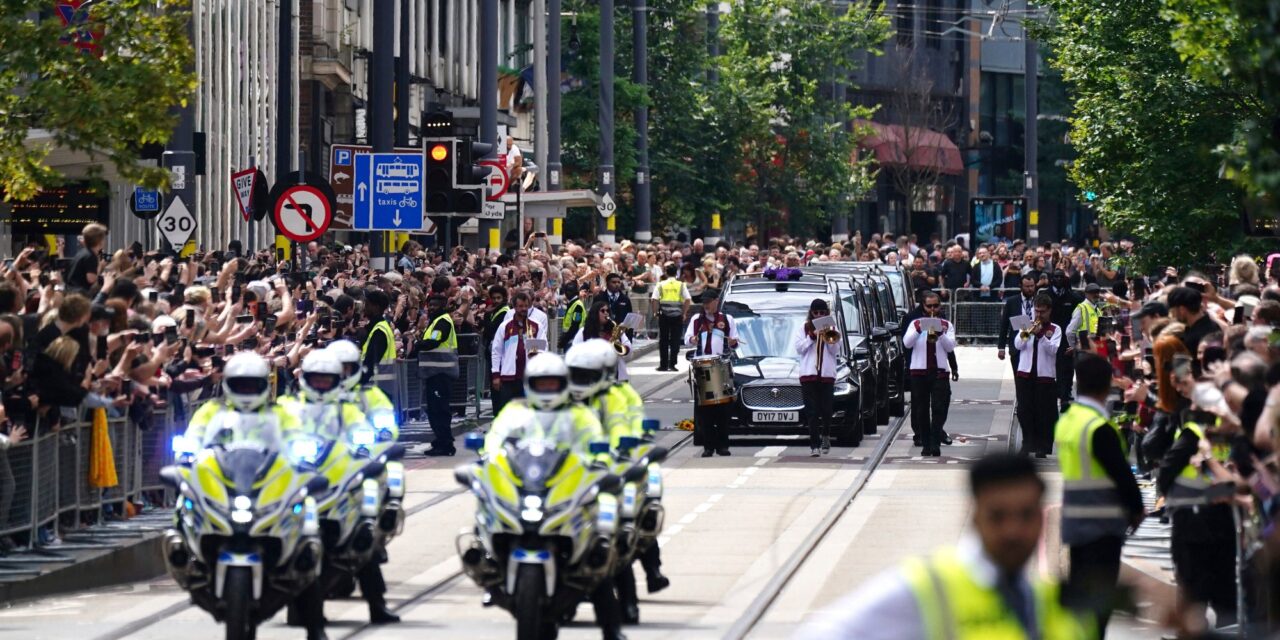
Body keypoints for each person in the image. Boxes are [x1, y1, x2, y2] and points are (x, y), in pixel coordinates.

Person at [793, 454, 1092, 640]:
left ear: (1043, 519)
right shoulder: (926, 588)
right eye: (997, 516)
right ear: (973, 515)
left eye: (1026, 515)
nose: (1013, 530)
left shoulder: (1054, 600)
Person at [482, 352, 627, 640]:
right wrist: (486, 460)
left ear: (563, 384)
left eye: (553, 384)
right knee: (487, 510)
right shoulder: (515, 412)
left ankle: (612, 629)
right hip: (529, 489)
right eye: (541, 384)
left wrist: (602, 464)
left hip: (564, 492)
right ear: (529, 384)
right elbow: (494, 442)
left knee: (595, 554)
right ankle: (491, 568)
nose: (547, 390)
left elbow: (597, 447)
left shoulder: (580, 416)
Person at [286, 351, 400, 635]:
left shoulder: (348, 408)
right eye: (317, 380)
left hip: (342, 487)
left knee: (364, 537)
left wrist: (367, 445)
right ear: (305, 379)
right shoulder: (288, 407)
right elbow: (274, 435)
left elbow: (365, 430)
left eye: (328, 380)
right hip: (302, 484)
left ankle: (377, 604)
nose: (323, 385)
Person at [1055, 353, 1144, 637]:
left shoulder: (1068, 421)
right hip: (1102, 524)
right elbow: (1121, 474)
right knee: (1101, 599)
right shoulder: (1098, 427)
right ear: (1107, 386)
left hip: (1075, 522)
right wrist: (1136, 509)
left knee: (1081, 595)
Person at [1155, 354, 1239, 630]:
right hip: (1222, 516)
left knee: (1192, 589)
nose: (1185, 396)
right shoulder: (1228, 433)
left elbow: (1166, 468)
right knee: (1224, 587)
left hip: (1192, 523)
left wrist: (1167, 498)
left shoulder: (1194, 431)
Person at [684, 292, 738, 457]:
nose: (706, 305)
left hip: (721, 366)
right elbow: (686, 339)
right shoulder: (696, 320)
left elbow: (735, 341)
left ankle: (723, 445)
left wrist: (732, 342)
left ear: (716, 302)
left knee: (723, 409)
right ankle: (708, 446)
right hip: (702, 367)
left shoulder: (727, 319)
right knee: (705, 411)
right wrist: (692, 340)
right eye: (704, 303)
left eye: (709, 302)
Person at [902, 291, 955, 457]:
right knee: (921, 410)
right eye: (929, 306)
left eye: (936, 306)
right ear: (923, 307)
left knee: (940, 407)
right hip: (919, 371)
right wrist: (918, 329)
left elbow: (950, 347)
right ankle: (925, 443)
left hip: (939, 371)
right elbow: (907, 343)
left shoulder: (946, 324)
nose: (933, 309)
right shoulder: (915, 323)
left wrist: (940, 334)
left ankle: (935, 440)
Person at [1014, 293, 1061, 458]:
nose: (1039, 315)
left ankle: (1043, 446)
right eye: (1036, 311)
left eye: (1042, 312)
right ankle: (1027, 443)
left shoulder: (1055, 329)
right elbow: (1018, 344)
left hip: (1045, 377)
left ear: (1049, 311)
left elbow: (1053, 350)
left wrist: (1041, 335)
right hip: (1025, 374)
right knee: (1024, 411)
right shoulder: (1026, 325)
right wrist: (1028, 332)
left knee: (1044, 413)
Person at [794, 299, 840, 456]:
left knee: (826, 410)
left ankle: (826, 435)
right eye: (816, 313)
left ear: (826, 313)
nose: (819, 315)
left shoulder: (832, 327)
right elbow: (799, 348)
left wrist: (827, 335)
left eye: (822, 313)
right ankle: (814, 445)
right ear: (811, 313)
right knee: (812, 412)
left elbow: (835, 351)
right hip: (809, 375)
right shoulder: (804, 327)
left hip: (826, 375)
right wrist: (812, 336)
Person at [490, 291, 547, 416]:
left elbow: (542, 349)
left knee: (528, 411)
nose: (524, 309)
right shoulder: (505, 326)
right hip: (508, 376)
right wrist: (495, 374)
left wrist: (532, 346)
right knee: (506, 411)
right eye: (520, 306)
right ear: (514, 307)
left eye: (526, 306)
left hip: (528, 377)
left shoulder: (536, 326)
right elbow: (496, 351)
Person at [415, 294, 458, 456]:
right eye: (430, 305)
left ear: (443, 306)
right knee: (434, 409)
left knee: (440, 410)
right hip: (433, 374)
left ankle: (446, 444)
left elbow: (434, 342)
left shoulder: (443, 322)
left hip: (441, 374)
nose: (431, 308)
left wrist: (418, 345)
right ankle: (439, 441)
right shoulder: (435, 322)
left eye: (435, 305)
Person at [1047, 271, 1084, 411]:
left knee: (1067, 368)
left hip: (1067, 338)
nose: (1058, 279)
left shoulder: (1073, 297)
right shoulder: (1046, 295)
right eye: (1055, 276)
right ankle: (1053, 393)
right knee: (1051, 367)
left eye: (1061, 277)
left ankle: (1064, 396)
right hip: (1049, 336)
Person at [572, 300, 633, 381]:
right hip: (592, 376)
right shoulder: (584, 332)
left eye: (608, 311)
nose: (606, 313)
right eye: (602, 311)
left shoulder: (616, 330)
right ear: (595, 313)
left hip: (615, 375)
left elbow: (629, 351)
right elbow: (574, 352)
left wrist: (617, 343)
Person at [653, 264, 691, 372]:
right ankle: (672, 364)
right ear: (676, 273)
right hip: (677, 316)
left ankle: (663, 365)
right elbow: (688, 299)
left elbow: (654, 299)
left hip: (664, 315)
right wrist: (684, 313)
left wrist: (656, 313)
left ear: (665, 272)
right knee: (675, 340)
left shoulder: (660, 284)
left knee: (663, 340)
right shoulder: (681, 285)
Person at [998, 275, 1039, 372]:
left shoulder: (1039, 300)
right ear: (1020, 286)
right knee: (1019, 381)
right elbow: (1004, 325)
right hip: (1017, 345)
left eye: (1032, 286)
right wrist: (1001, 348)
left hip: (1035, 345)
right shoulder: (1012, 302)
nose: (1030, 289)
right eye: (1027, 286)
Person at [358, 288, 397, 385]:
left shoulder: (379, 330)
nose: (364, 308)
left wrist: (358, 383)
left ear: (376, 307)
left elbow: (371, 362)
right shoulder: (380, 326)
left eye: (367, 305)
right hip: (383, 384)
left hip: (377, 385)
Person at [67, 222, 107, 294]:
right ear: (99, 241)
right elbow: (91, 279)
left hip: (71, 291)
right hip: (80, 294)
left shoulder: (82, 253)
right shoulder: (90, 256)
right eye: (103, 238)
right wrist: (101, 269)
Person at [1065, 283, 1103, 353]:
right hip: (1084, 349)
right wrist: (1075, 347)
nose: (1096, 295)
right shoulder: (1081, 308)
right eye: (1092, 292)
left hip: (1096, 348)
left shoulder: (1097, 310)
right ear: (1086, 294)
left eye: (1097, 292)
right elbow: (1070, 331)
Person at [559, 281, 591, 352]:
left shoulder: (577, 306)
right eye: (566, 291)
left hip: (573, 339)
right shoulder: (572, 303)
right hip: (570, 338)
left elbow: (575, 325)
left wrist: (565, 339)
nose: (568, 293)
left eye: (570, 291)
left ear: (576, 292)